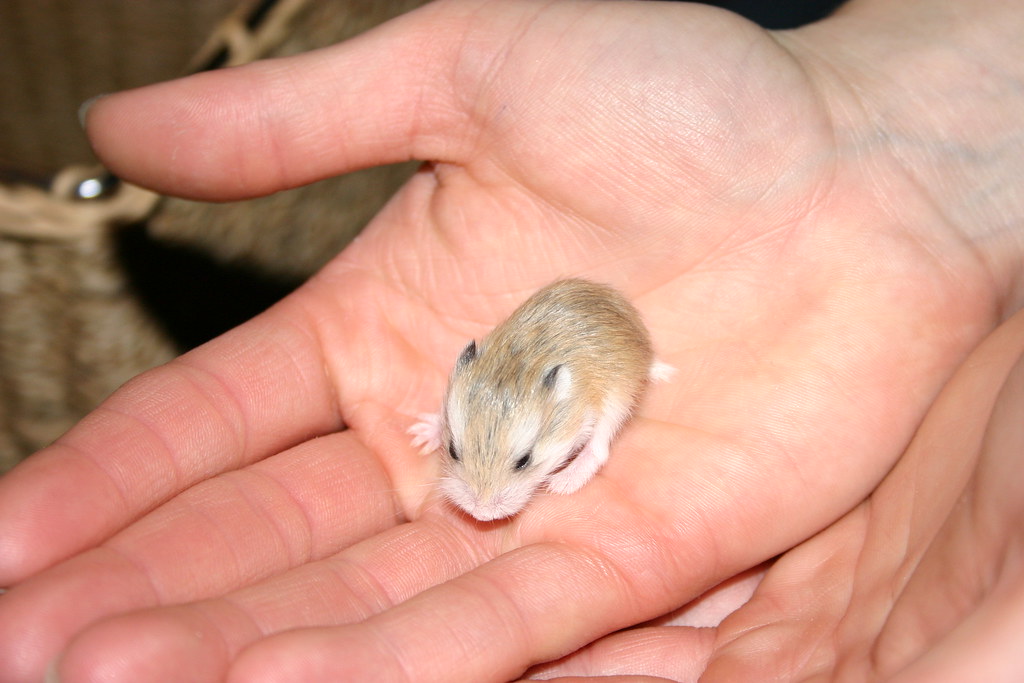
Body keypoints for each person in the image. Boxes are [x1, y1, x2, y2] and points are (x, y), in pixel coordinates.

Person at [1, 0, 1023, 680]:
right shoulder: (477, 383)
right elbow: (474, 411)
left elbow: (592, 398)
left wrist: (580, 453)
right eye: (464, 451)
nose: (484, 496)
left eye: (520, 461)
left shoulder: (587, 385)